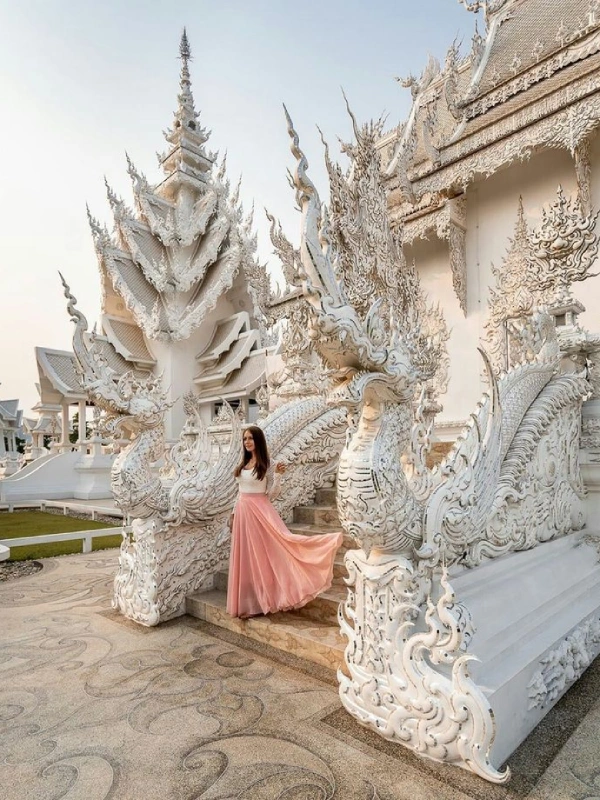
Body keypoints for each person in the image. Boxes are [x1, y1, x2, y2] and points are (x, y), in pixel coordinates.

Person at [227, 425, 343, 619]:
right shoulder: (242, 465)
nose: (247, 442)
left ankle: (265, 599)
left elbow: (271, 494)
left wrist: (279, 477)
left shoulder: (267, 464)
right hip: (242, 512)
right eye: (245, 439)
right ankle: (248, 602)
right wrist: (233, 514)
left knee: (269, 552)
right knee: (246, 557)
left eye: (251, 439)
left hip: (260, 511)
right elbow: (238, 493)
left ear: (258, 441)